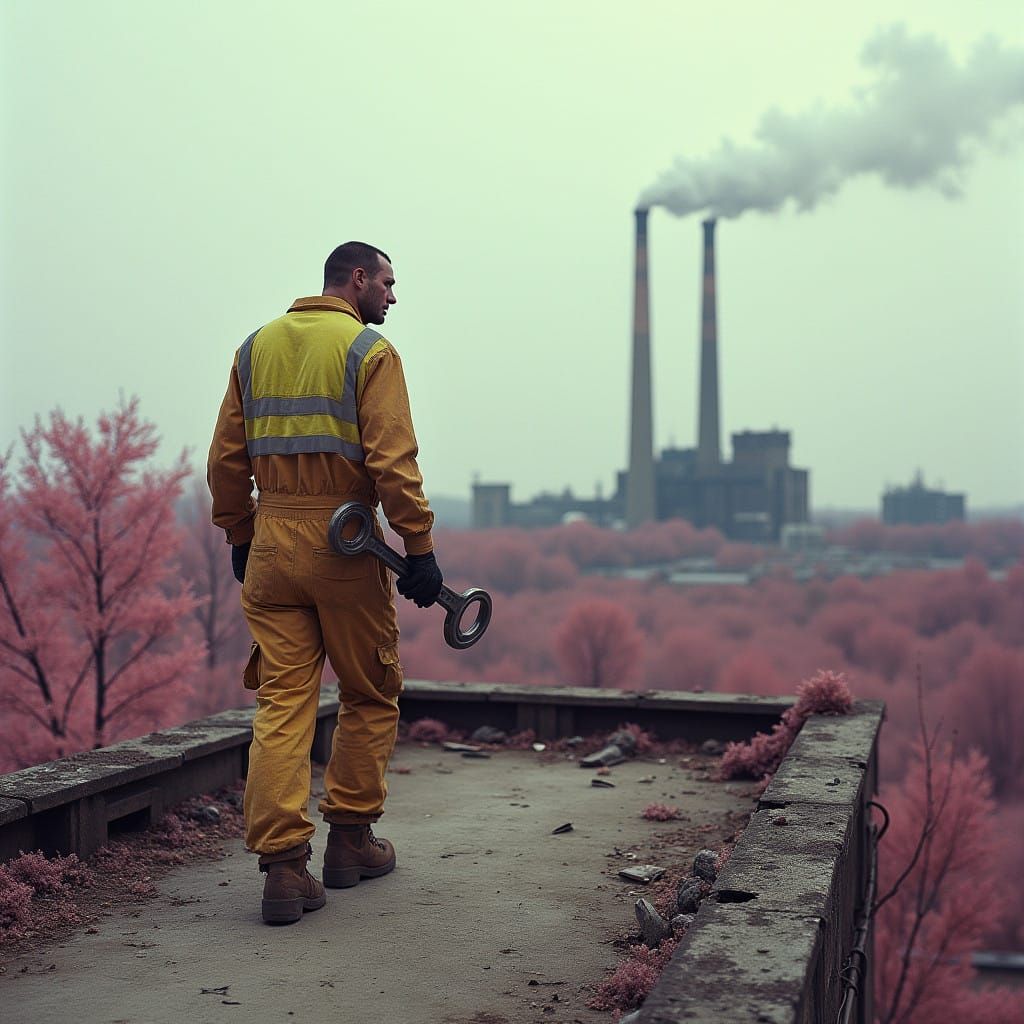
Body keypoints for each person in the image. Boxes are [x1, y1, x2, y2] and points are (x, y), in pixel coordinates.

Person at [207, 241, 444, 925]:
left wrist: (240, 534)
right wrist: (419, 547)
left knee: (283, 701)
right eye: (390, 283)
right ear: (359, 279)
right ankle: (349, 841)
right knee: (370, 692)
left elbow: (226, 460)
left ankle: (284, 870)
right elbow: (394, 462)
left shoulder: (255, 348)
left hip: (274, 543)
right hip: (345, 542)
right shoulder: (370, 353)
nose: (394, 298)